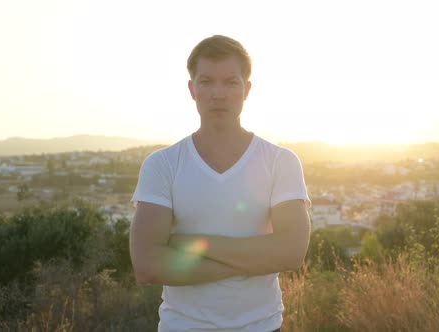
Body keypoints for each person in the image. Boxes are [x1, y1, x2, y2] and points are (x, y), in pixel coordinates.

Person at [129, 35, 311, 332]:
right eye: (206, 82)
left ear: (247, 90)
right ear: (192, 89)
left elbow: (291, 253)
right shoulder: (162, 165)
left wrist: (191, 246)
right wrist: (256, 260)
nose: (218, 93)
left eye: (230, 82)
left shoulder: (280, 161)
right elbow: (148, 266)